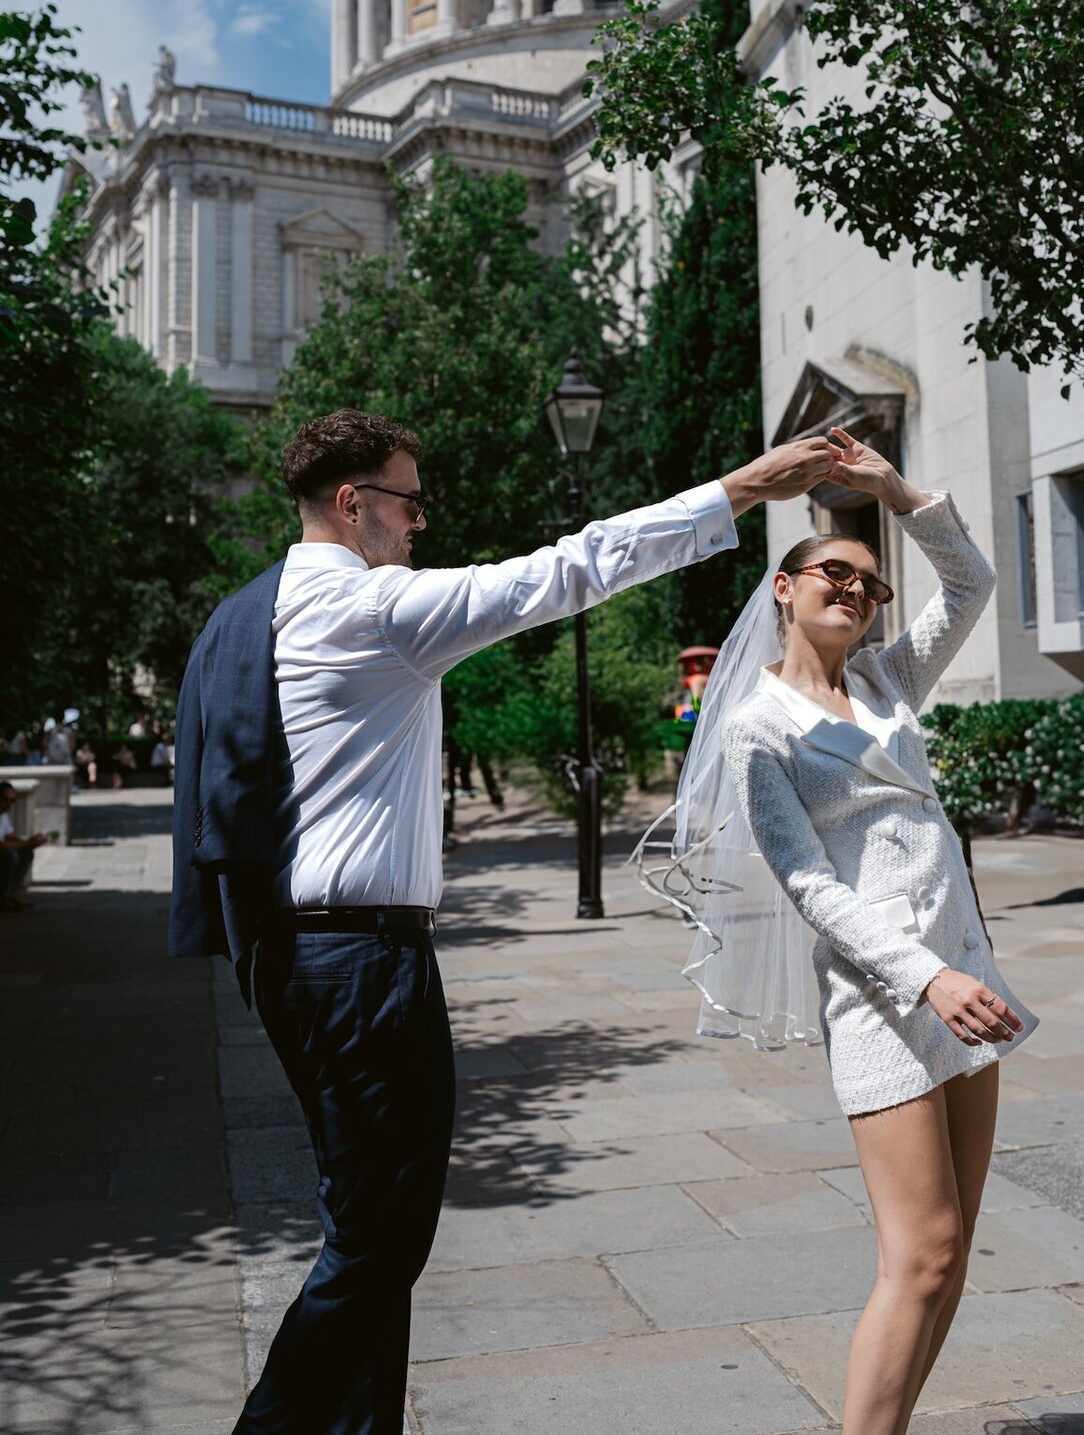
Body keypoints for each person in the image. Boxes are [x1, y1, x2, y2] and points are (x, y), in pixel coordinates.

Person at [169, 406, 835, 1435]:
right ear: (352, 503)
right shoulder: (375, 610)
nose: (419, 523)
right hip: (362, 962)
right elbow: (572, 568)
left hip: (295, 954)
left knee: (363, 1221)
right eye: (408, 501)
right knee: (380, 1241)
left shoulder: (247, 614)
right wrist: (745, 487)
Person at [648, 427, 1037, 1435]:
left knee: (952, 1253)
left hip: (970, 975)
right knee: (920, 1255)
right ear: (783, 588)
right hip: (887, 996)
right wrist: (926, 979)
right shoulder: (756, 727)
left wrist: (896, 492)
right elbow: (810, 885)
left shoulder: (885, 681)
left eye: (870, 582)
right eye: (835, 572)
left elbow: (972, 584)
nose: (856, 590)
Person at [0, 780, 47, 910]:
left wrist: (30, 842)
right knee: (10, 856)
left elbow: (11, 836)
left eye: (12, 801)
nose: (9, 804)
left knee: (26, 853)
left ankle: (8, 895)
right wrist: (26, 843)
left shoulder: (3, 815)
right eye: (5, 800)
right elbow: (2, 844)